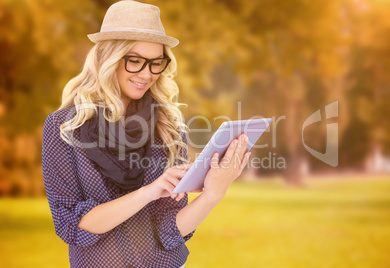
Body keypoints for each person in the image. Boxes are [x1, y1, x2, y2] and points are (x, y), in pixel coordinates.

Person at [42, 1, 251, 267]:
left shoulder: (168, 127)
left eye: (156, 63)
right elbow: (71, 225)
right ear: (109, 58)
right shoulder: (64, 128)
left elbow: (169, 232)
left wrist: (212, 194)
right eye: (135, 61)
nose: (147, 74)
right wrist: (148, 192)